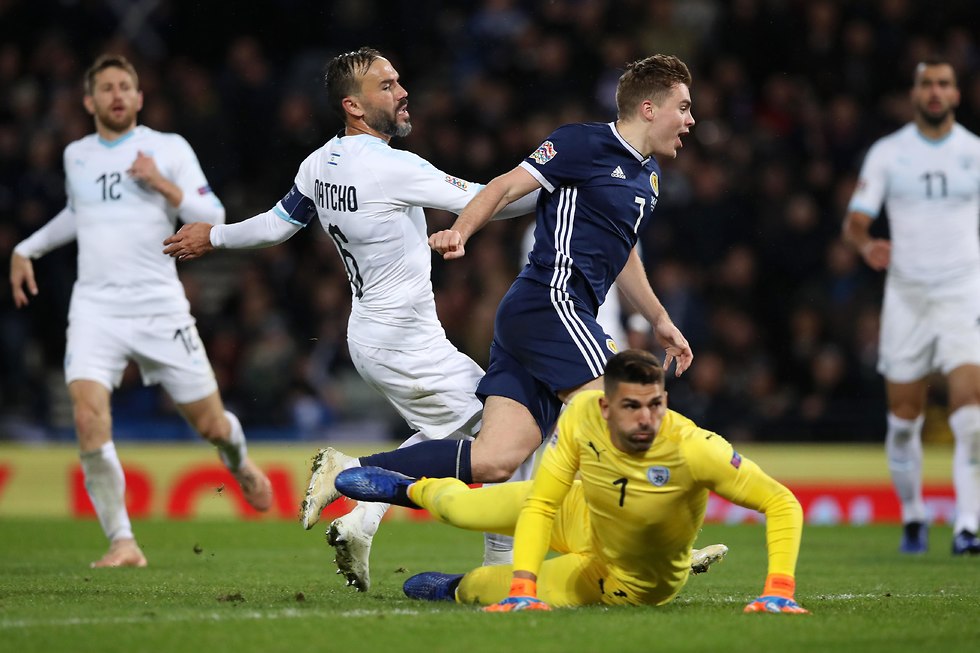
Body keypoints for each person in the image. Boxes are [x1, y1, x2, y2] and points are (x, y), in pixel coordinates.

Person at [161, 47, 539, 591]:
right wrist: (556, 184)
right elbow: (489, 200)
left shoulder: (319, 163)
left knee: (468, 431)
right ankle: (366, 483)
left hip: (373, 335)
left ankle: (363, 518)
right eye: (386, 86)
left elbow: (276, 225)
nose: (402, 92)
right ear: (353, 106)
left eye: (399, 80)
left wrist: (214, 235)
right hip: (402, 340)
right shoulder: (392, 166)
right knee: (510, 437)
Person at [306, 54, 695, 524]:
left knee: (495, 459)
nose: (690, 121)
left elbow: (622, 249)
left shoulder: (649, 177)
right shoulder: (582, 142)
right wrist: (461, 232)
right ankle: (654, 538)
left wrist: (658, 318)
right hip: (551, 305)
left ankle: (349, 470)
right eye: (683, 108)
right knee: (626, 402)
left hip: (545, 320)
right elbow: (505, 187)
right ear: (649, 109)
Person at [9, 54, 272, 569]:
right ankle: (122, 541)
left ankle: (238, 460)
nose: (117, 95)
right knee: (87, 418)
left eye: (125, 86)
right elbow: (79, 213)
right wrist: (27, 247)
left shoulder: (168, 148)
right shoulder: (77, 155)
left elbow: (212, 215)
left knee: (212, 425)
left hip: (158, 306)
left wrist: (161, 184)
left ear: (139, 97)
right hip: (96, 308)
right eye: (106, 88)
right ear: (89, 101)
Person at [336, 349, 807, 613]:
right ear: (605, 406)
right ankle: (404, 488)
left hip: (624, 577)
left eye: (656, 405)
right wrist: (527, 585)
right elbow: (543, 504)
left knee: (486, 587)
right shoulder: (582, 414)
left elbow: (781, 501)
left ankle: (454, 586)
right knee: (460, 507)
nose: (647, 419)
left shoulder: (696, 449)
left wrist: (779, 589)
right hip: (584, 511)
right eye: (632, 406)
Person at [843, 57, 980, 556]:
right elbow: (855, 221)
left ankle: (968, 525)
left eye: (944, 83)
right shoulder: (889, 153)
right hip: (907, 296)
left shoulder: (974, 152)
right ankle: (914, 515)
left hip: (962, 291)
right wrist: (866, 245)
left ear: (956, 94)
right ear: (915, 94)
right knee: (904, 420)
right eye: (927, 84)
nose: (936, 92)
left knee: (971, 413)